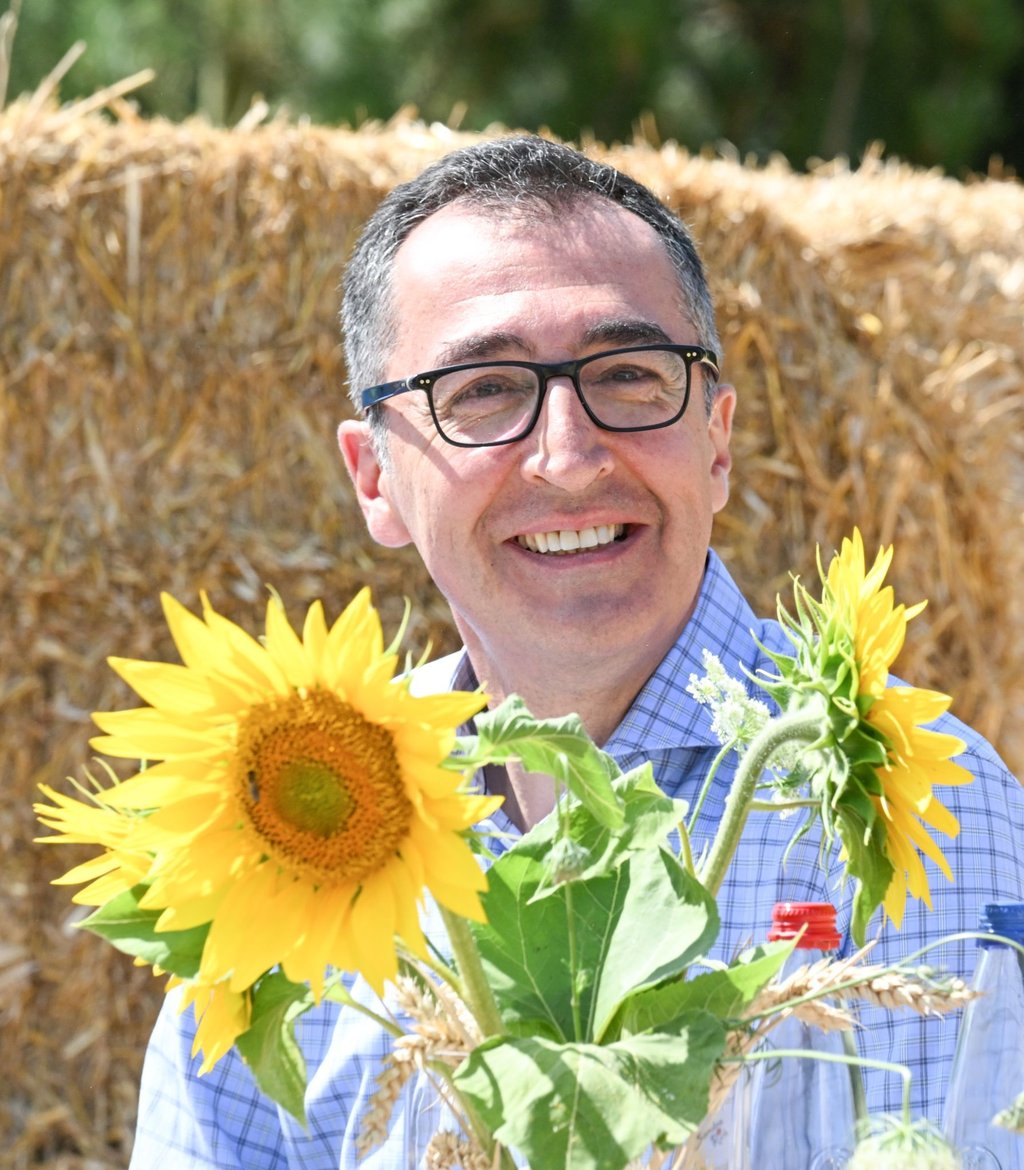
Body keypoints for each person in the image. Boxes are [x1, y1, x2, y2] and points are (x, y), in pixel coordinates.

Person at [128, 135, 1024, 1168]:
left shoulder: (929, 824)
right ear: (373, 476)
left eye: (631, 376)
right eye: (483, 392)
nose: (567, 454)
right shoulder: (269, 850)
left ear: (718, 441)